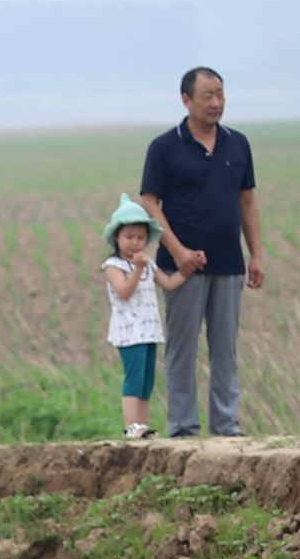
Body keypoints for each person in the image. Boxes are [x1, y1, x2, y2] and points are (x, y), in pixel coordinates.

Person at [138, 66, 265, 438]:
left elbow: (247, 200)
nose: (216, 103)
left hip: (229, 262)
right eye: (208, 96)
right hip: (182, 268)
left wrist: (256, 253)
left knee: (225, 348)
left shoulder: (237, 143)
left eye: (221, 95)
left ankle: (227, 426)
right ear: (186, 100)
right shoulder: (164, 147)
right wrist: (177, 251)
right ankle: (183, 427)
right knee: (181, 348)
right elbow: (149, 201)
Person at [101, 199, 191, 438]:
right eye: (129, 237)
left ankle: (141, 425)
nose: (135, 243)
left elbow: (169, 283)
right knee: (134, 378)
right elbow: (125, 292)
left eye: (140, 238)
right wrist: (139, 269)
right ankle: (131, 426)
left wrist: (189, 269)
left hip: (149, 330)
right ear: (117, 238)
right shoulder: (113, 266)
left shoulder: (148, 263)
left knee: (146, 380)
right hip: (129, 333)